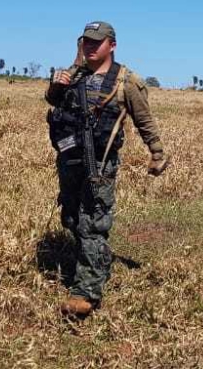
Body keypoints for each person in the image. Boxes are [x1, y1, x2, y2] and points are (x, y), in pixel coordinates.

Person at [45, 21, 171, 319]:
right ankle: (91, 261)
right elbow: (53, 101)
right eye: (86, 42)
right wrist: (56, 85)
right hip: (69, 159)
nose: (90, 47)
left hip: (99, 165)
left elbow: (145, 120)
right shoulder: (74, 74)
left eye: (96, 43)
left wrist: (157, 153)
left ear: (111, 45)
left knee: (93, 223)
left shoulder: (126, 81)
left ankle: (86, 292)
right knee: (72, 217)